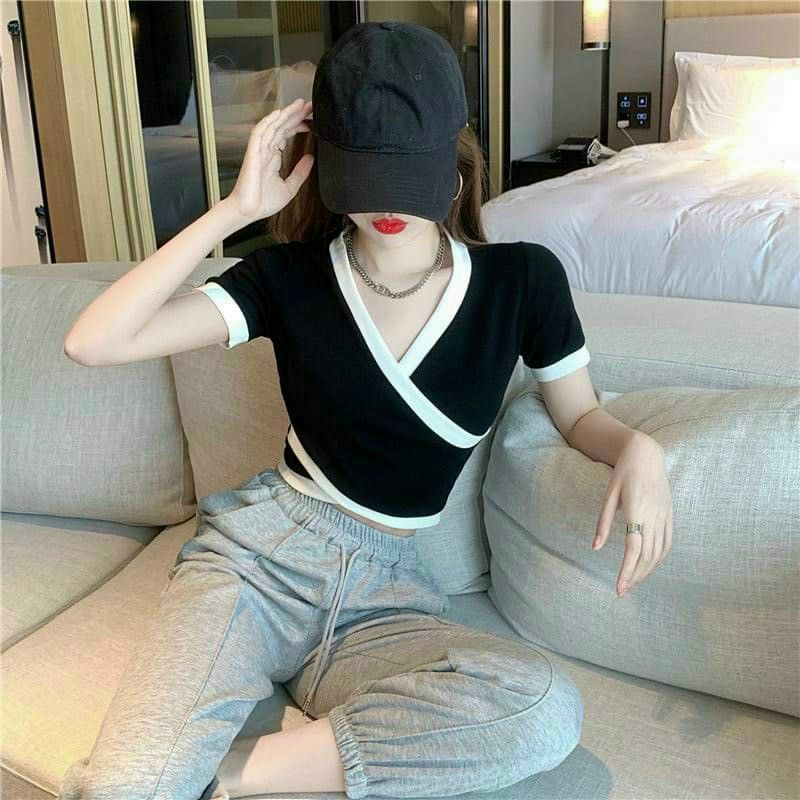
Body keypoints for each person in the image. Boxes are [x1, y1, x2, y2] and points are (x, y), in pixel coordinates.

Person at [58, 20, 673, 800]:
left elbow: (580, 416)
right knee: (125, 787)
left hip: (384, 600)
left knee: (543, 709)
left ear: (454, 164)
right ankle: (163, 775)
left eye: (405, 173)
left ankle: (217, 777)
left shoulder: (522, 282)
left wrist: (639, 449)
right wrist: (233, 210)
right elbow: (93, 342)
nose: (386, 204)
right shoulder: (285, 278)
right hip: (257, 566)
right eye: (365, 174)